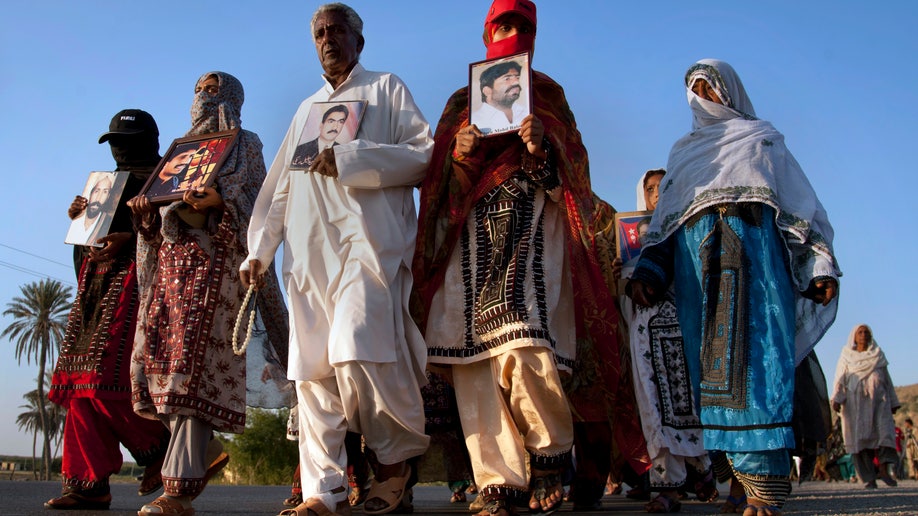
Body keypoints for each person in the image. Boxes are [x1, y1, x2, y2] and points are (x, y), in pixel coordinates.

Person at [412, 1, 643, 514]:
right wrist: (460, 152)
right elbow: (440, 183)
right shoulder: (459, 101)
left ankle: (549, 454)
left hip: (532, 228)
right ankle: (498, 480)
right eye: (503, 25)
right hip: (470, 238)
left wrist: (543, 148)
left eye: (521, 26)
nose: (511, 33)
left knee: (523, 338)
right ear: (487, 32)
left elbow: (576, 164)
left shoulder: (549, 94)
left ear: (534, 35)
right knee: (469, 355)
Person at [241, 4, 433, 515]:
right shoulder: (307, 111)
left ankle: (394, 466)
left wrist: (352, 157)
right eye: (320, 33)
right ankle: (323, 492)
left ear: (358, 41)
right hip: (307, 256)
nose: (328, 40)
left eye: (337, 31)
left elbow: (422, 155)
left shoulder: (387, 89)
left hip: (367, 247)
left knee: (358, 349)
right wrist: (259, 249)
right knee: (313, 372)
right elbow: (280, 188)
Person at [628, 59, 840, 516]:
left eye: (711, 86)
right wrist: (648, 271)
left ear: (732, 91)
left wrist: (818, 265)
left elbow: (802, 210)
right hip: (698, 281)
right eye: (696, 89)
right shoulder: (684, 154)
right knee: (714, 380)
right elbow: (664, 224)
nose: (704, 95)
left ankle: (763, 490)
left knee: (758, 372)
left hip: (757, 277)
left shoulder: (764, 140)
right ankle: (738, 485)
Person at [128, 71, 289, 516]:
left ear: (233, 96)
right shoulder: (178, 153)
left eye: (214, 90)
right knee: (152, 368)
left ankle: (178, 491)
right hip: (170, 274)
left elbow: (258, 205)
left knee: (189, 374)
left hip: (215, 270)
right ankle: (207, 449)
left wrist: (220, 204)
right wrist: (145, 215)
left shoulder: (246, 145)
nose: (204, 97)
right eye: (199, 89)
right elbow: (158, 224)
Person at [44, 109, 171, 511]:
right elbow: (87, 252)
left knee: (105, 377)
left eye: (125, 140)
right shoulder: (105, 185)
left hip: (135, 289)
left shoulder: (168, 178)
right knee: (76, 383)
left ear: (147, 141)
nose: (118, 148)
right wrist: (82, 222)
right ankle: (87, 483)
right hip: (94, 293)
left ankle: (164, 448)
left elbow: (180, 232)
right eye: (113, 140)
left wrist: (131, 238)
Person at [616, 169, 716, 513]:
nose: (657, 193)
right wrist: (623, 272)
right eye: (651, 188)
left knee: (683, 402)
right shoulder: (629, 237)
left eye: (664, 186)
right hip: (643, 332)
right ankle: (667, 488)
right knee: (652, 405)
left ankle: (701, 467)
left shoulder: (684, 227)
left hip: (679, 326)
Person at [831, 324, 900, 489]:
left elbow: (887, 379)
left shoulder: (877, 354)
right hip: (856, 406)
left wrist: (894, 401)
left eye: (866, 332)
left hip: (879, 402)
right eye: (860, 332)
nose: (863, 335)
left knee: (885, 434)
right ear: (854, 336)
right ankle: (869, 478)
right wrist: (836, 398)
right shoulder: (847, 356)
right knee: (861, 442)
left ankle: (884, 470)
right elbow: (840, 378)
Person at [471, 60, 526, 135]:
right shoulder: (474, 122)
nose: (516, 82)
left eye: (517, 78)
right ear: (487, 91)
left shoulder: (527, 113)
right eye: (507, 79)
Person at [64, 174, 115, 246]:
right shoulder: (79, 220)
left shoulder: (109, 222)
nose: (98, 198)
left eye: (105, 192)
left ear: (108, 196)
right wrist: (75, 217)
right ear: (90, 193)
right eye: (96, 191)